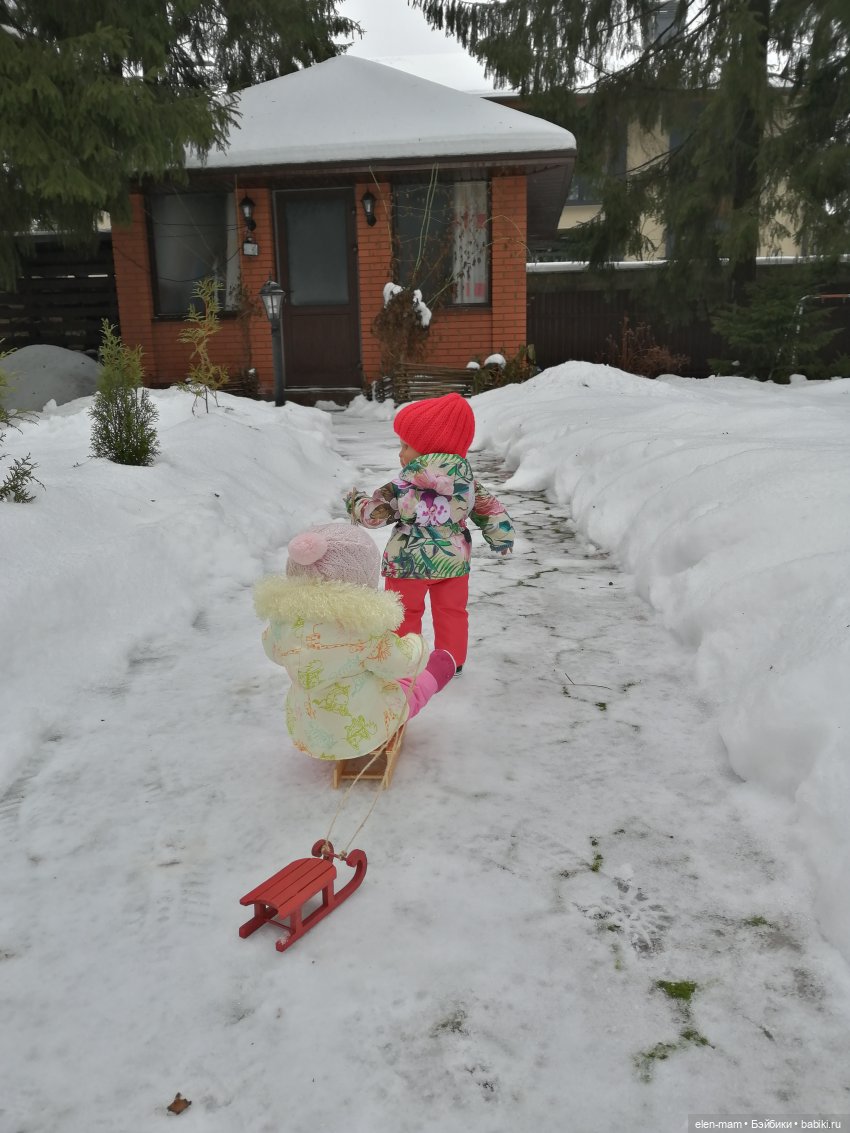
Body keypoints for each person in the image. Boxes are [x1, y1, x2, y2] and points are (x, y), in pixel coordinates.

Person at [254, 522, 456, 762]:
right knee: (409, 689)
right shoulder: (361, 629)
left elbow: (272, 650)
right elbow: (402, 663)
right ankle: (437, 672)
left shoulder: (283, 622)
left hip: (307, 729)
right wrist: (417, 645)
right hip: (363, 731)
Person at [345, 392, 514, 672]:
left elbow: (373, 515)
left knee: (403, 613)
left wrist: (355, 502)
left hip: (406, 563)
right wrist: (502, 536)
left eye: (406, 446)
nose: (400, 453)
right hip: (453, 562)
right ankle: (451, 662)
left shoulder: (403, 485)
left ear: (427, 449)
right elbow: (490, 510)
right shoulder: (468, 483)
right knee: (452, 612)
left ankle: (403, 661)